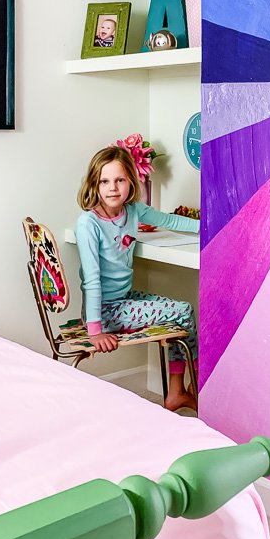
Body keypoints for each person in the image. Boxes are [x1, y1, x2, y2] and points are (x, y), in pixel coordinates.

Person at [76, 145, 200, 411]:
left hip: (123, 300)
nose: (112, 188)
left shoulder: (132, 210)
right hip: (104, 313)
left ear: (131, 182)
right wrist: (95, 332)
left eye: (119, 180)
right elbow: (92, 279)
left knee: (183, 313)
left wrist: (210, 225)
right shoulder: (88, 223)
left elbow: (171, 221)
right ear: (94, 184)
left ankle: (179, 391)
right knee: (183, 311)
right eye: (104, 181)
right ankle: (194, 384)